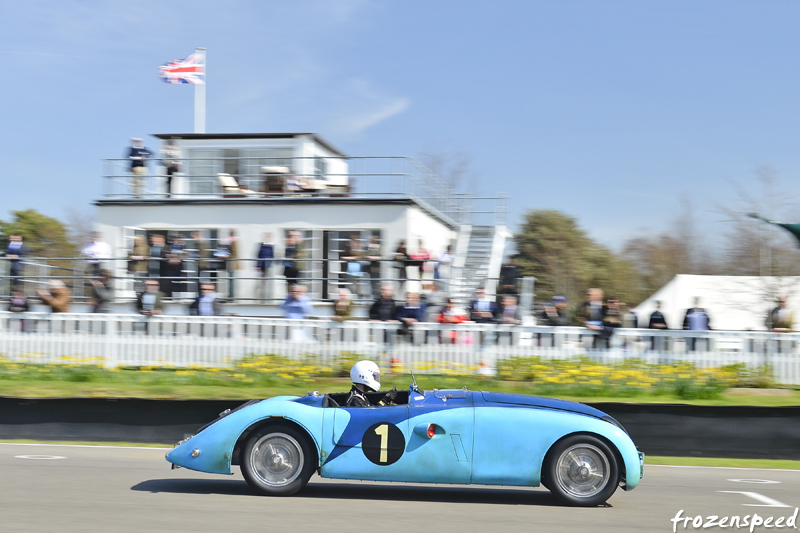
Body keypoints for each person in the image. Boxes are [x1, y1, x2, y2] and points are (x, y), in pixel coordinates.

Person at [255, 232, 274, 301]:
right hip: (261, 267)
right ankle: (261, 298)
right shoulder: (261, 245)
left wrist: (270, 264)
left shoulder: (271, 246)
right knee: (260, 283)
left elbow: (272, 256)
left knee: (268, 284)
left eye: (268, 237)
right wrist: (257, 266)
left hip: (268, 267)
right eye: (266, 237)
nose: (267, 238)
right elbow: (258, 255)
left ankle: (268, 298)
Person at [365, 234, 383, 299]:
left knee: (377, 284)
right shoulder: (368, 248)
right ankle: (372, 297)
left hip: (377, 269)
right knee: (372, 284)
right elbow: (364, 255)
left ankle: (377, 297)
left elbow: (383, 256)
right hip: (370, 269)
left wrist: (374, 257)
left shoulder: (380, 248)